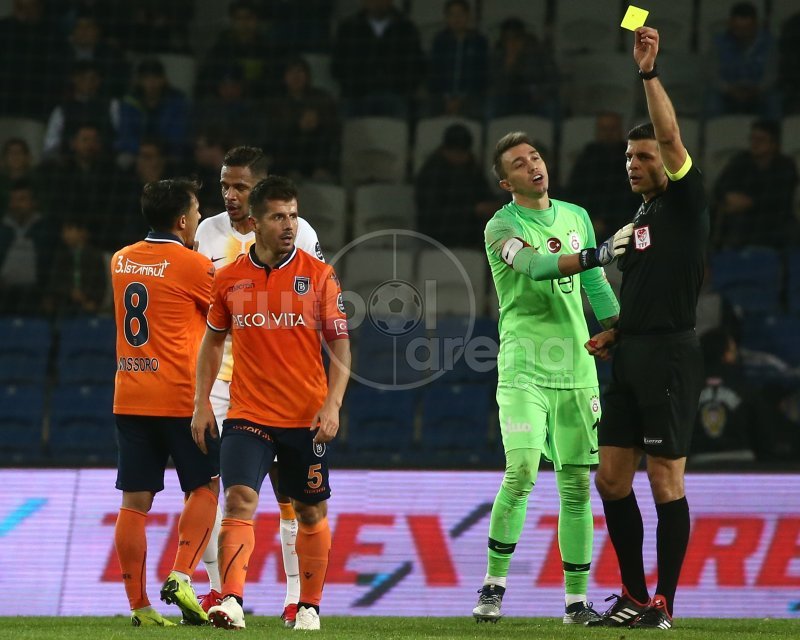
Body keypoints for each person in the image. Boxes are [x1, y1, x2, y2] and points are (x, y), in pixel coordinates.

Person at [474, 130, 635, 624]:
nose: (533, 166)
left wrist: (622, 333)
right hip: (523, 364)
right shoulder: (501, 226)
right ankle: (493, 586)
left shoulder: (576, 216)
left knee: (575, 488)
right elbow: (535, 265)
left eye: (536, 156)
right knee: (521, 471)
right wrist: (598, 252)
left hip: (577, 366)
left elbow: (596, 286)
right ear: (507, 182)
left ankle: (575, 602)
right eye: (520, 164)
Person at [584, 27, 710, 630]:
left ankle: (664, 604)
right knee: (610, 480)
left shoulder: (687, 202)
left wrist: (647, 72)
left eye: (644, 156)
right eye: (629, 158)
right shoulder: (640, 218)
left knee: (665, 481)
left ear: (667, 160)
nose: (634, 164)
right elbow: (638, 288)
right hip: (632, 354)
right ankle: (634, 595)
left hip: (670, 358)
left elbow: (672, 133)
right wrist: (617, 332)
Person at [192, 175, 351, 631]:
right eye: (278, 217)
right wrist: (202, 402)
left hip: (306, 417)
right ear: (255, 223)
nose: (288, 225)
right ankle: (233, 600)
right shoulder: (228, 279)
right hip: (248, 413)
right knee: (240, 498)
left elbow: (341, 346)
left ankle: (309, 605)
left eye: (293, 216)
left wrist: (333, 404)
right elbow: (211, 343)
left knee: (309, 512)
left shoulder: (318, 276)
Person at [110, 178, 219, 627]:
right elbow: (229, 316)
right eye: (195, 212)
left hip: (130, 396)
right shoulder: (194, 264)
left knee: (134, 503)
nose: (198, 219)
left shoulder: (119, 260)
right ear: (181, 219)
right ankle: (180, 575)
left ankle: (139, 606)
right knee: (205, 488)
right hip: (180, 398)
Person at [712, 118, 798, 250]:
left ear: (774, 144)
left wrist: (750, 202)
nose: (755, 144)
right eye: (753, 139)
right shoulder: (741, 161)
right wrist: (729, 198)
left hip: (774, 217)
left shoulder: (785, 165)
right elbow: (720, 187)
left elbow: (782, 197)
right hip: (742, 217)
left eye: (761, 140)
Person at [331, 0, 425, 118]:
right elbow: (337, 65)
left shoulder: (406, 27)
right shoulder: (348, 27)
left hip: (396, 93)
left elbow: (417, 65)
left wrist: (402, 87)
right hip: (356, 95)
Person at [414, 123, 499, 248]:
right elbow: (433, 215)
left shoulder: (471, 166)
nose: (463, 157)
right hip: (438, 236)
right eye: (459, 153)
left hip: (470, 233)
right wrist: (473, 210)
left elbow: (484, 192)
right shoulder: (432, 172)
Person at [566, 111, 642, 238]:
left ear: (621, 130)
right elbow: (575, 192)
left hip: (626, 223)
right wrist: (589, 221)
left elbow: (635, 195)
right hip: (591, 223)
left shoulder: (631, 157)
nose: (608, 133)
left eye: (612, 129)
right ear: (597, 131)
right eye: (603, 129)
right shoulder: (587, 156)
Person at [705, 1, 781, 119]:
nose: (741, 33)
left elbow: (771, 74)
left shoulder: (769, 43)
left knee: (774, 101)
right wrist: (728, 89)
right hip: (727, 92)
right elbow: (712, 73)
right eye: (737, 29)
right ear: (730, 24)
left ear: (755, 25)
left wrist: (757, 89)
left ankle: (770, 135)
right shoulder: (718, 42)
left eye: (746, 29)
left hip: (758, 92)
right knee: (712, 101)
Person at [426, 0, 488, 119]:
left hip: (471, 97)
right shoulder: (439, 41)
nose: (456, 19)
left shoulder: (479, 42)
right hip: (441, 98)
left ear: (468, 16)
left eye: (460, 14)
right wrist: (446, 98)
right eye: (452, 15)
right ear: (446, 18)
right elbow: (434, 73)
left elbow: (481, 75)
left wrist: (461, 99)